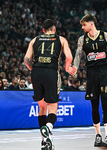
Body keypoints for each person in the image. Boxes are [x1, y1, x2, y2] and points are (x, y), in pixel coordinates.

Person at [71, 14, 107, 148]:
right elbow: (78, 55)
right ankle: (98, 135)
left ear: (91, 24)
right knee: (94, 105)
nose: (82, 27)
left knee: (106, 103)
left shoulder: (105, 36)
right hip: (91, 74)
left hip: (104, 72)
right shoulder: (82, 39)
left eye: (84, 24)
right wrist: (74, 67)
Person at [24, 19, 74, 150]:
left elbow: (26, 59)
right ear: (54, 29)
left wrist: (33, 70)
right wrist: (67, 68)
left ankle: (45, 140)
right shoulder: (61, 39)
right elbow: (69, 57)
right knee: (53, 105)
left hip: (36, 71)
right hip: (51, 71)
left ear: (43, 30)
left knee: (41, 107)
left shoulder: (34, 40)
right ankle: (49, 127)